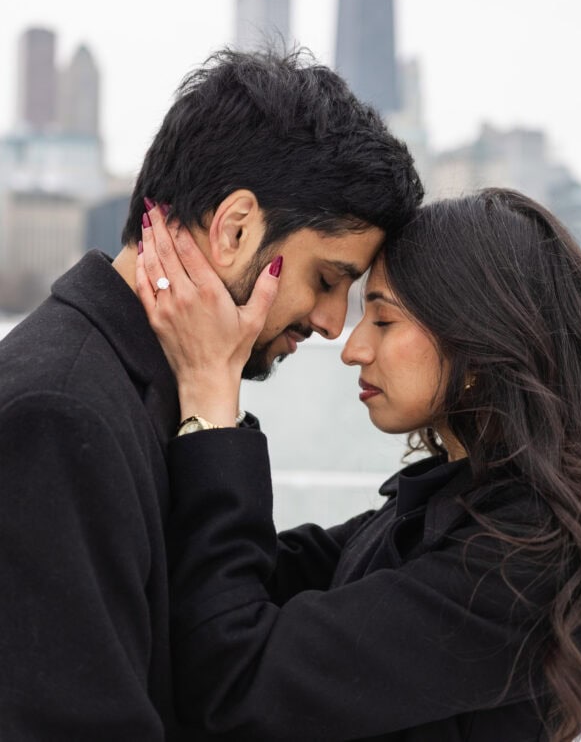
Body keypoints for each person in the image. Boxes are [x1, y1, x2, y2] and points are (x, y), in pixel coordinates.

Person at [0, 49, 422, 740]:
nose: (327, 323)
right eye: (325, 279)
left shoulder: (127, 388)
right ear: (234, 228)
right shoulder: (59, 416)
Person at [139, 187, 581, 742]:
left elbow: (239, 680)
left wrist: (212, 403)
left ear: (477, 344)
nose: (352, 347)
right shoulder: (451, 503)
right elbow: (261, 575)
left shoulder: (527, 556)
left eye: (383, 321)